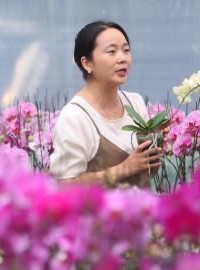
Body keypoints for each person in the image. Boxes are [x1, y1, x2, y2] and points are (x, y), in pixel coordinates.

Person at [50, 21, 162, 188]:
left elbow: (145, 170)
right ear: (87, 63)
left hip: (140, 210)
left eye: (126, 50)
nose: (122, 58)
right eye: (112, 51)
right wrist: (124, 168)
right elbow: (65, 186)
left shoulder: (135, 103)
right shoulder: (75, 117)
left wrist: (155, 145)